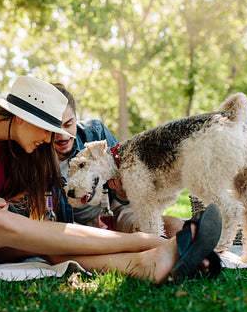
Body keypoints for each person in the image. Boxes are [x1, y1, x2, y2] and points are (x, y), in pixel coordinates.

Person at [0, 75, 221, 283]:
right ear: (23, 117)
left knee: (48, 245)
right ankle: (151, 243)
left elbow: (27, 216)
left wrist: (4, 205)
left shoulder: (25, 151)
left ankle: (149, 264)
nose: (52, 140)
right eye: (48, 131)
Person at [51, 83, 186, 238]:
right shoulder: (36, 154)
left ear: (76, 116)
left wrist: (122, 193)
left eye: (68, 124)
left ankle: (200, 250)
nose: (62, 136)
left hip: (111, 210)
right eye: (55, 128)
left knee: (174, 228)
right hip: (69, 227)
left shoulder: (95, 133)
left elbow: (129, 191)